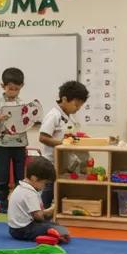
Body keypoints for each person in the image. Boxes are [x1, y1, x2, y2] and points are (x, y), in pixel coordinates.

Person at [37, 79, 89, 208]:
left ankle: (55, 211)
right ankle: (43, 212)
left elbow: (68, 134)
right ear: (65, 99)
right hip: (50, 161)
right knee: (49, 189)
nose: (78, 109)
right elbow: (43, 137)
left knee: (59, 188)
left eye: (80, 106)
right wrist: (62, 143)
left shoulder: (68, 116)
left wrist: (77, 138)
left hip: (62, 160)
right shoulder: (53, 115)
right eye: (76, 105)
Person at [0, 67, 28, 211]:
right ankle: (3, 202)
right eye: (10, 89)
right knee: (3, 176)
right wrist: (0, 117)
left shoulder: (23, 104)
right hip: (2, 145)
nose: (13, 92)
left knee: (20, 176)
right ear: (3, 86)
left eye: (16, 89)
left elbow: (27, 121)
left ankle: (18, 203)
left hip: (19, 144)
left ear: (21, 87)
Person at [7, 157, 70, 243]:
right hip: (23, 230)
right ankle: (53, 236)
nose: (44, 186)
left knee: (52, 225)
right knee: (57, 228)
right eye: (44, 183)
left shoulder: (20, 187)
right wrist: (51, 210)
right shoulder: (30, 193)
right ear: (34, 178)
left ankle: (53, 233)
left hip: (14, 229)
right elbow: (38, 216)